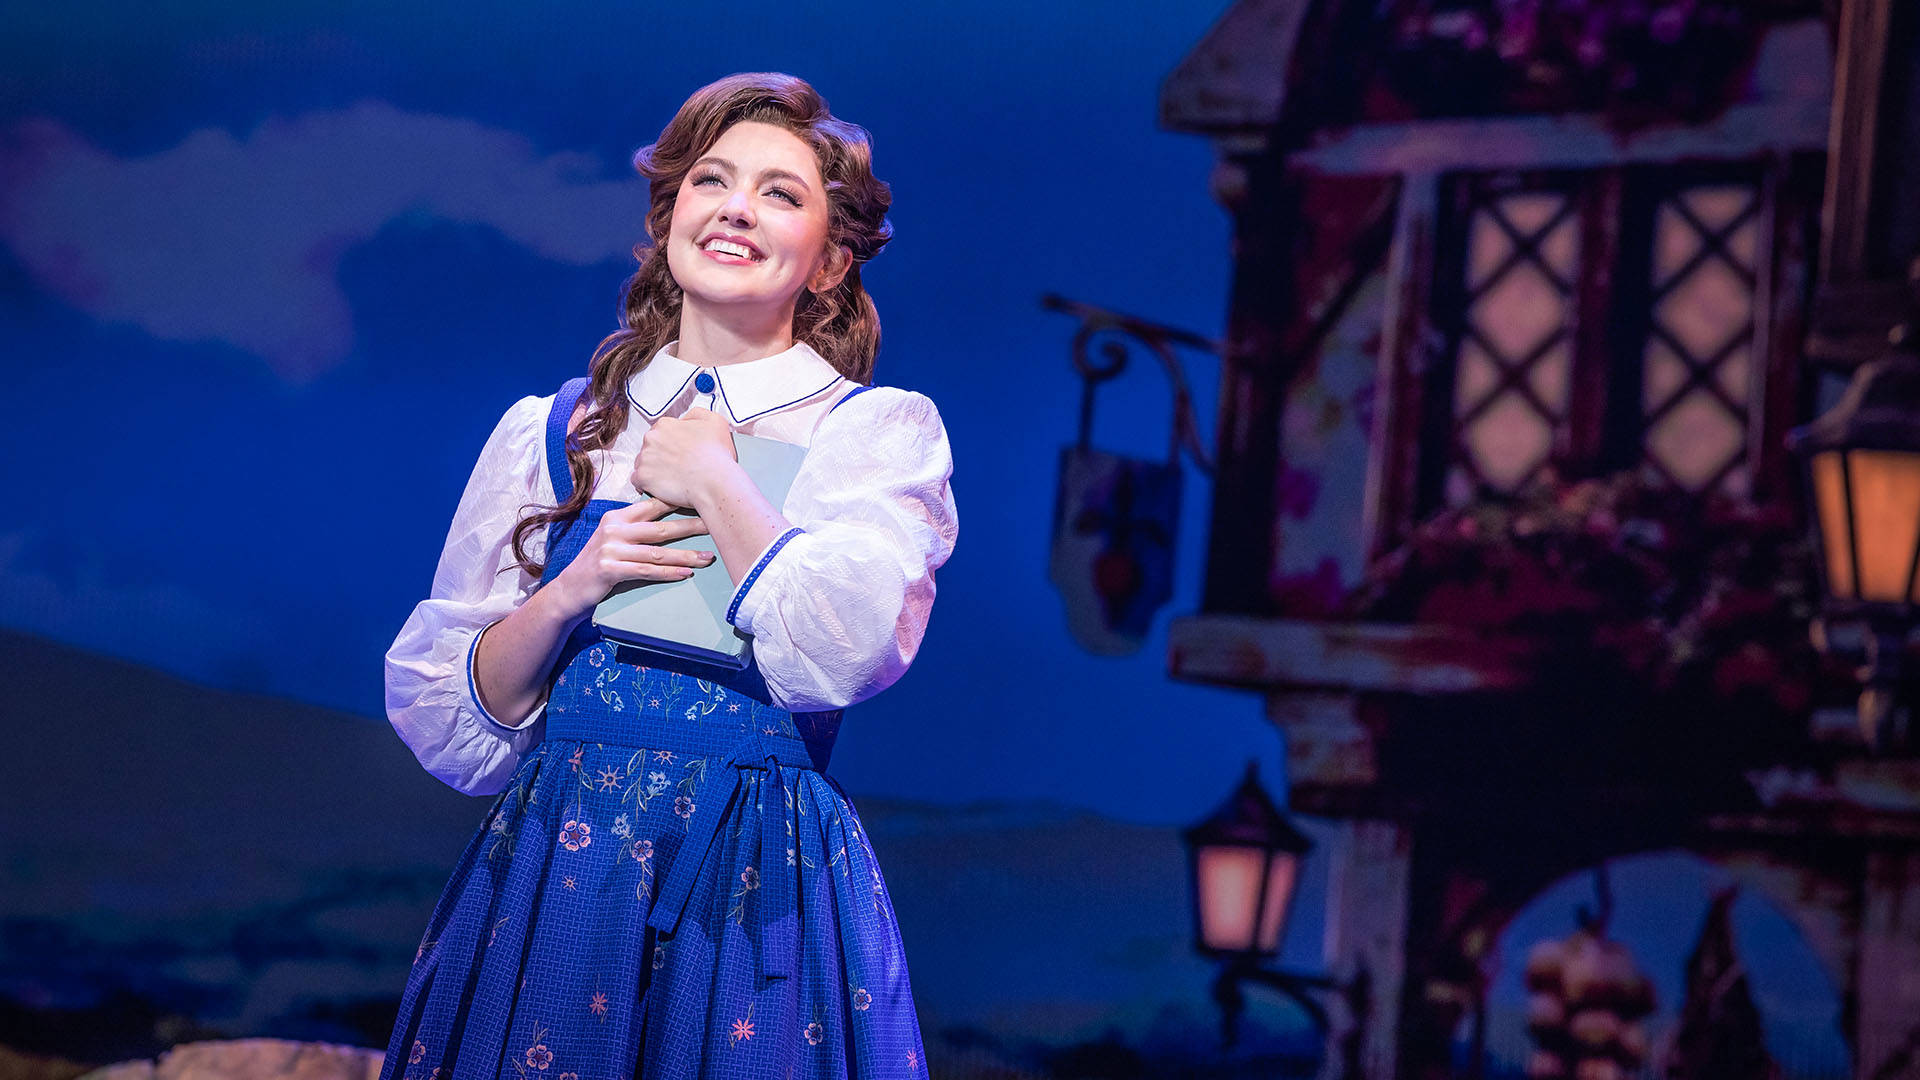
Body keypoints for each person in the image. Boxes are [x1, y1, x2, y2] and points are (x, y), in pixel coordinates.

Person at [379, 72, 957, 1079]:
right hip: (561, 861)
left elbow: (847, 653)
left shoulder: (868, 434)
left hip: (755, 874)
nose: (737, 206)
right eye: (712, 181)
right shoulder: (557, 429)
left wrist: (715, 482)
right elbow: (452, 718)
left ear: (830, 259)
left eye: (781, 193)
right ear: (669, 217)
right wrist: (571, 588)